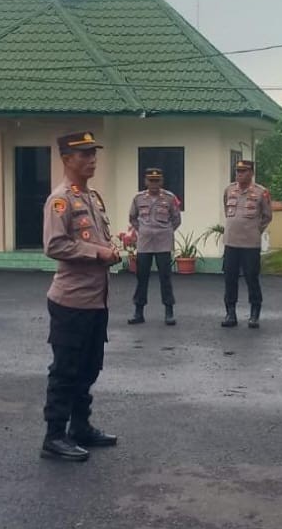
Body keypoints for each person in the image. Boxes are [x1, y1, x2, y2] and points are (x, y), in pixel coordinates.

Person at [40, 131, 121, 462]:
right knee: (66, 369)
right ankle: (54, 436)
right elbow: (54, 245)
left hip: (95, 299)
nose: (92, 160)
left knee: (89, 368)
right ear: (66, 159)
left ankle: (80, 427)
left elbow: (96, 238)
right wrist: (98, 254)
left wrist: (113, 246)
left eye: (93, 154)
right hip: (71, 300)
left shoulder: (92, 198)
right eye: (84, 155)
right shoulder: (59, 200)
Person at [126, 167, 182, 326]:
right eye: (151, 181)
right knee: (141, 277)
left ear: (162, 181)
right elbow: (133, 218)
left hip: (163, 243)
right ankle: (138, 311)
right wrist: (143, 230)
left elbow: (176, 219)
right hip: (144, 244)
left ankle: (169, 311)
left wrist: (165, 231)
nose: (154, 184)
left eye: (157, 181)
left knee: (165, 278)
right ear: (145, 181)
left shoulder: (169, 198)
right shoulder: (138, 198)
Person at [222, 160, 273, 328]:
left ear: (251, 173)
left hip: (250, 244)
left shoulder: (261, 192)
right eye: (237, 171)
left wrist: (254, 230)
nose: (239, 174)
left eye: (243, 171)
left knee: (251, 277)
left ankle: (254, 313)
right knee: (230, 278)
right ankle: (230, 313)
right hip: (231, 242)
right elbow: (226, 210)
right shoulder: (229, 190)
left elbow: (267, 216)